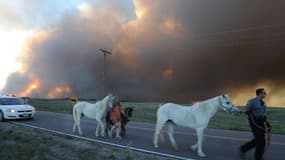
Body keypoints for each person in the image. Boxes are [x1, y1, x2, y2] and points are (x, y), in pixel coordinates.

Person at [239, 88, 271, 160]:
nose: (265, 94)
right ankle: (247, 151)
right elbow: (246, 109)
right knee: (259, 138)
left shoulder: (263, 103)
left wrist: (267, 124)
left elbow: (264, 114)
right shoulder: (252, 101)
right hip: (254, 122)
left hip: (261, 122)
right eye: (263, 93)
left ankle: (255, 155)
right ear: (259, 93)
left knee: (261, 141)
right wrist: (242, 112)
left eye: (265, 92)